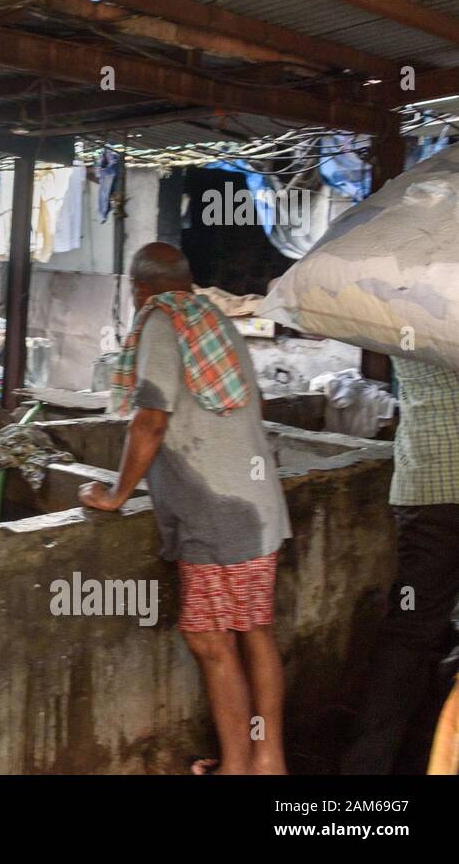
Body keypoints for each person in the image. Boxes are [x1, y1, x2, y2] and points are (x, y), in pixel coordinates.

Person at [79, 242, 291, 775]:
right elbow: (253, 405)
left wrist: (116, 494)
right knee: (255, 629)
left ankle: (238, 768)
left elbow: (151, 420)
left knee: (209, 638)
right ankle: (269, 760)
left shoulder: (159, 320)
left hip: (215, 515)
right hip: (259, 509)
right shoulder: (213, 318)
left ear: (139, 289)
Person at [342, 356, 459, 774]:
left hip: (427, 487)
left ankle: (369, 766)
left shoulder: (409, 302)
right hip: (429, 488)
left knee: (410, 635)